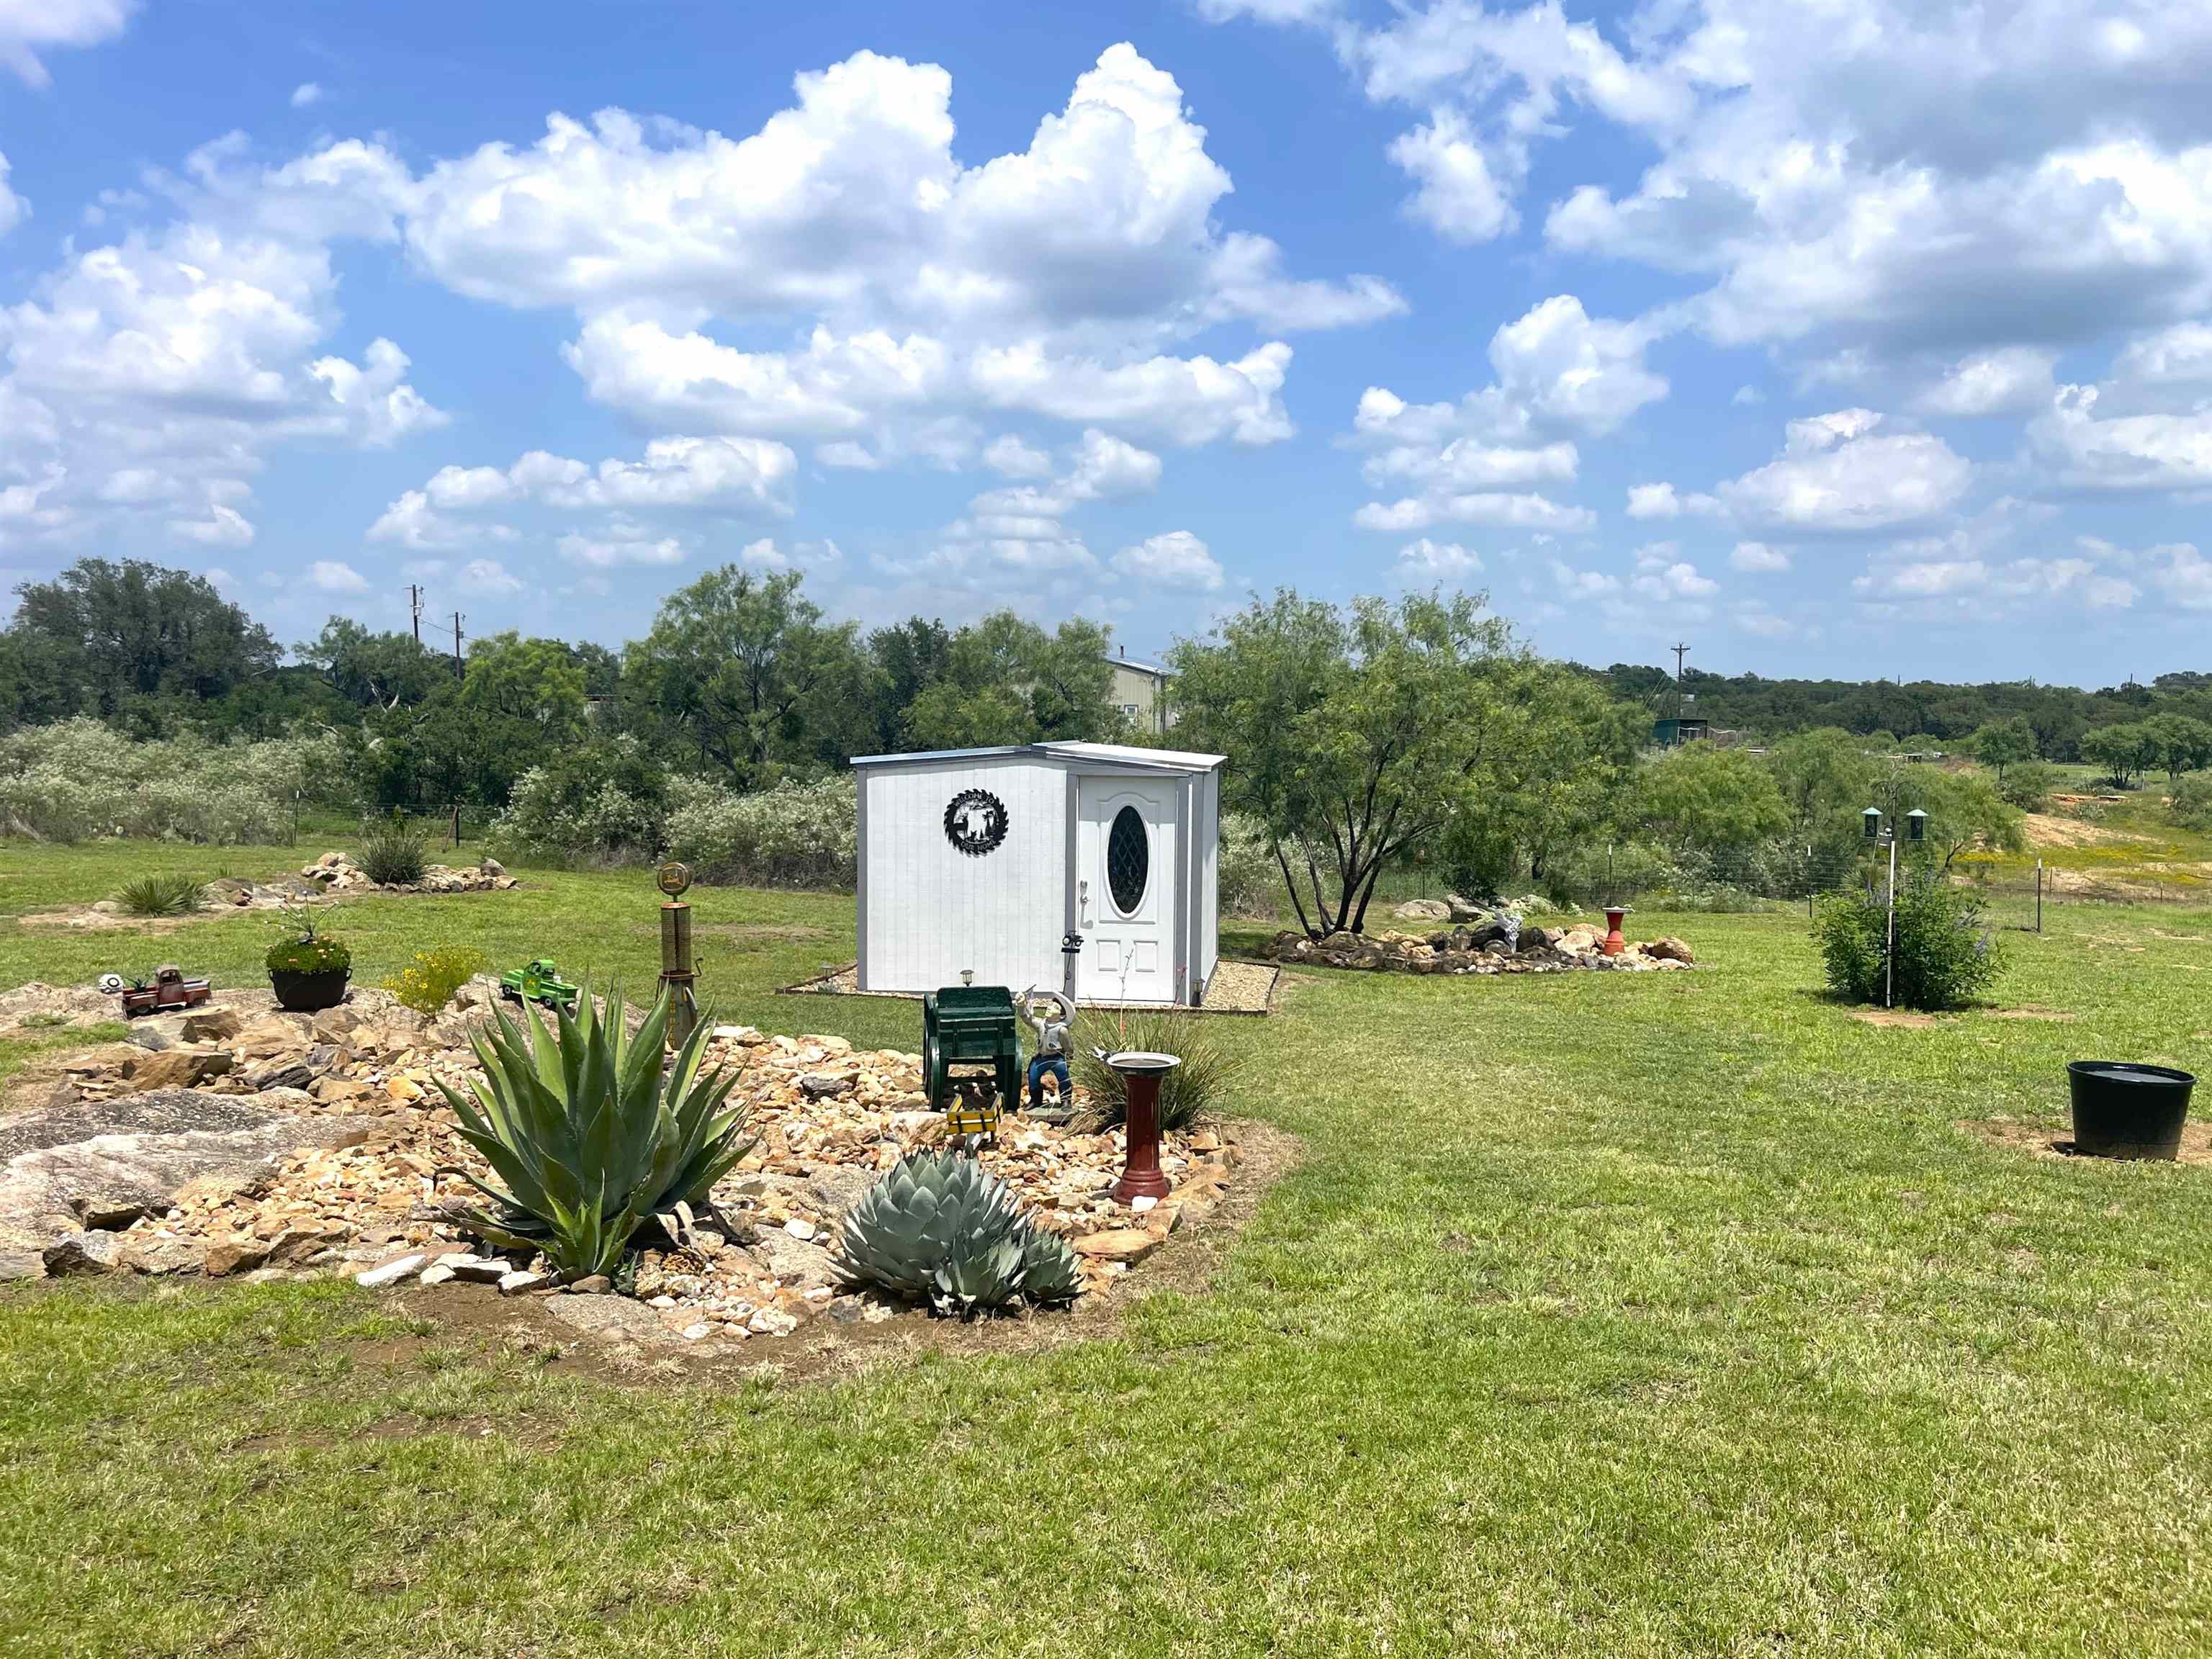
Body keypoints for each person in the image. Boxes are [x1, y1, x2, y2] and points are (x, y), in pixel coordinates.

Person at [1019, 986, 1074, 1115]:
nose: (1050, 1008)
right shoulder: (1041, 1024)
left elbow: (1069, 1047)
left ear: (1061, 1014)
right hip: (1042, 1058)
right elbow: (1028, 1019)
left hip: (1057, 1058)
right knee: (1033, 1076)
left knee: (1064, 1078)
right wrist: (1022, 1005)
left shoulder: (1062, 1030)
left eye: (1055, 1007)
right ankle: (1036, 1100)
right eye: (1050, 1006)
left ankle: (1066, 1100)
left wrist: (1069, 1060)